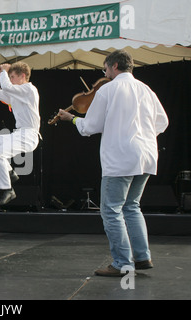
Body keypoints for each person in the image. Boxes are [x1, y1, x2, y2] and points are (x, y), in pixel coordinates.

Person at [57, 50, 169, 276]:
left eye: (105, 69)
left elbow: (91, 126)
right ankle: (142, 256)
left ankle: (122, 264)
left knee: (111, 210)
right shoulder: (146, 89)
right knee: (132, 207)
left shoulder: (109, 89)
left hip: (121, 158)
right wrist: (142, 135)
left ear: (115, 66)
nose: (105, 74)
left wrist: (73, 119)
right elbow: (163, 122)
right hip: (146, 155)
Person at [0, 62, 41, 208]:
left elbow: (7, 87)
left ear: (23, 76)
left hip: (29, 135)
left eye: (13, 76)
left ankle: (7, 190)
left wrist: (3, 71)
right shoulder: (17, 94)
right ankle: (10, 173)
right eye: (9, 77)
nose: (10, 79)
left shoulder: (29, 89)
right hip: (18, 133)